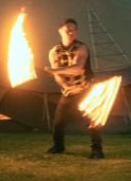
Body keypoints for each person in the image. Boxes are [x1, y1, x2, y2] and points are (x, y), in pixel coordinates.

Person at [44, 18, 104, 159]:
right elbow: (58, 76)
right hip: (68, 91)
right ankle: (58, 147)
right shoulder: (54, 51)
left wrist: (53, 71)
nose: (71, 32)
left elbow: (77, 69)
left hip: (86, 89)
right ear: (60, 31)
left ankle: (97, 150)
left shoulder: (81, 48)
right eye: (68, 29)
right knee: (58, 122)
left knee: (93, 120)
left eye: (74, 29)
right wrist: (65, 87)